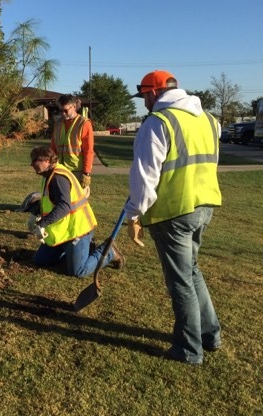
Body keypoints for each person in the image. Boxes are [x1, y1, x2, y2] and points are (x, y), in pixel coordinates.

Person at [126, 70, 222, 365]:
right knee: (191, 272)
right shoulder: (208, 119)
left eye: (144, 96)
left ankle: (189, 349)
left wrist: (133, 215)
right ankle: (210, 335)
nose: (144, 102)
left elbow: (145, 177)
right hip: (204, 206)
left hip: (174, 211)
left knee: (180, 282)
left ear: (154, 93)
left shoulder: (158, 123)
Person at [29, 146, 123, 277]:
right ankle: (75, 253)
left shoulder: (58, 178)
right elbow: (49, 200)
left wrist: (43, 223)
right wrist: (35, 213)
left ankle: (108, 252)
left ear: (46, 160)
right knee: (40, 260)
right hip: (64, 231)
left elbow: (64, 206)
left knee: (78, 271)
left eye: (35, 161)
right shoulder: (48, 175)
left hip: (78, 231)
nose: (32, 164)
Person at [51, 94, 94, 194]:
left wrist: (86, 173)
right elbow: (53, 147)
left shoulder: (83, 123)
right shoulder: (58, 124)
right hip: (60, 169)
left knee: (77, 202)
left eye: (65, 110)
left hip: (77, 171)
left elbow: (88, 150)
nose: (63, 113)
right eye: (60, 110)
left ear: (74, 106)